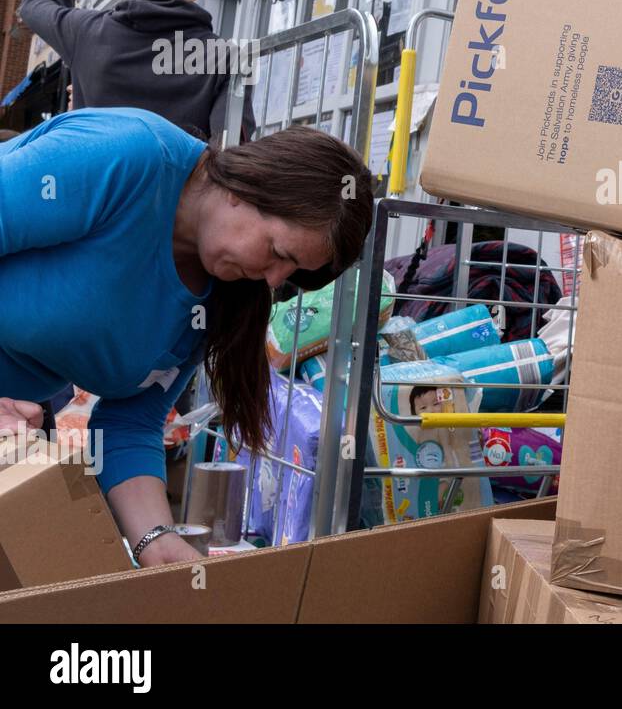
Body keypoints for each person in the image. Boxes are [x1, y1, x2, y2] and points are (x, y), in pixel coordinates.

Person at [0, 107, 373, 565]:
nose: (274, 281)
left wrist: (156, 540)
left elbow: (131, 423)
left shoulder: (216, 298)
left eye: (292, 272)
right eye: (278, 252)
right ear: (248, 186)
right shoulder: (128, 156)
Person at [18, 0, 256, 144]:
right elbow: (231, 148)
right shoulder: (232, 58)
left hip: (96, 189)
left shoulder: (87, 31)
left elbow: (33, 5)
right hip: (175, 191)